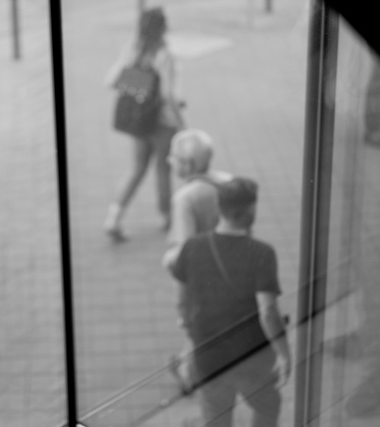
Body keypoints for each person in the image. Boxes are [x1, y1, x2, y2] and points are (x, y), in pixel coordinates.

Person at [171, 177, 292, 427]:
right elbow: (268, 312)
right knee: (268, 407)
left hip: (209, 354)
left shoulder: (192, 246)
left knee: (216, 414)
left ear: (219, 209)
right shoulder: (261, 253)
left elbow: (182, 301)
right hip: (251, 355)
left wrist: (188, 340)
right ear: (250, 210)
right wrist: (284, 353)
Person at [103, 6, 185, 241]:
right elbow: (169, 94)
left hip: (139, 123)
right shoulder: (164, 54)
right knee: (163, 169)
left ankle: (113, 217)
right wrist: (182, 125)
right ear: (163, 27)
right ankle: (167, 218)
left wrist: (138, 84)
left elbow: (110, 80)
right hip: (162, 123)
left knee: (137, 169)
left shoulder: (132, 48)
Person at [160, 129, 231, 393]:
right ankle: (187, 368)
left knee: (195, 327)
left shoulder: (185, 198)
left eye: (173, 156)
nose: (169, 160)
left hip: (202, 282)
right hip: (229, 272)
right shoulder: (228, 182)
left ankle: (191, 376)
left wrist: (169, 262)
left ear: (187, 164)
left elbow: (186, 255)